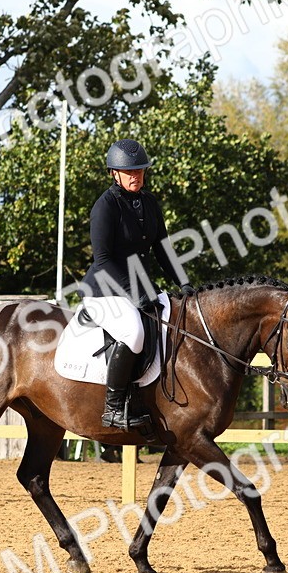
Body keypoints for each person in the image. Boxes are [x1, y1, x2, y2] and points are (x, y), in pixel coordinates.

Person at [80, 138, 193, 437]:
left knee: (174, 324)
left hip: (140, 287)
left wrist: (184, 282)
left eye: (140, 170)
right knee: (134, 332)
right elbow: (103, 260)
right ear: (114, 173)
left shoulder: (150, 203)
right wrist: (138, 294)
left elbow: (163, 249)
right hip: (104, 289)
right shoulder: (105, 206)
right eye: (129, 171)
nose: (136, 176)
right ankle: (114, 406)